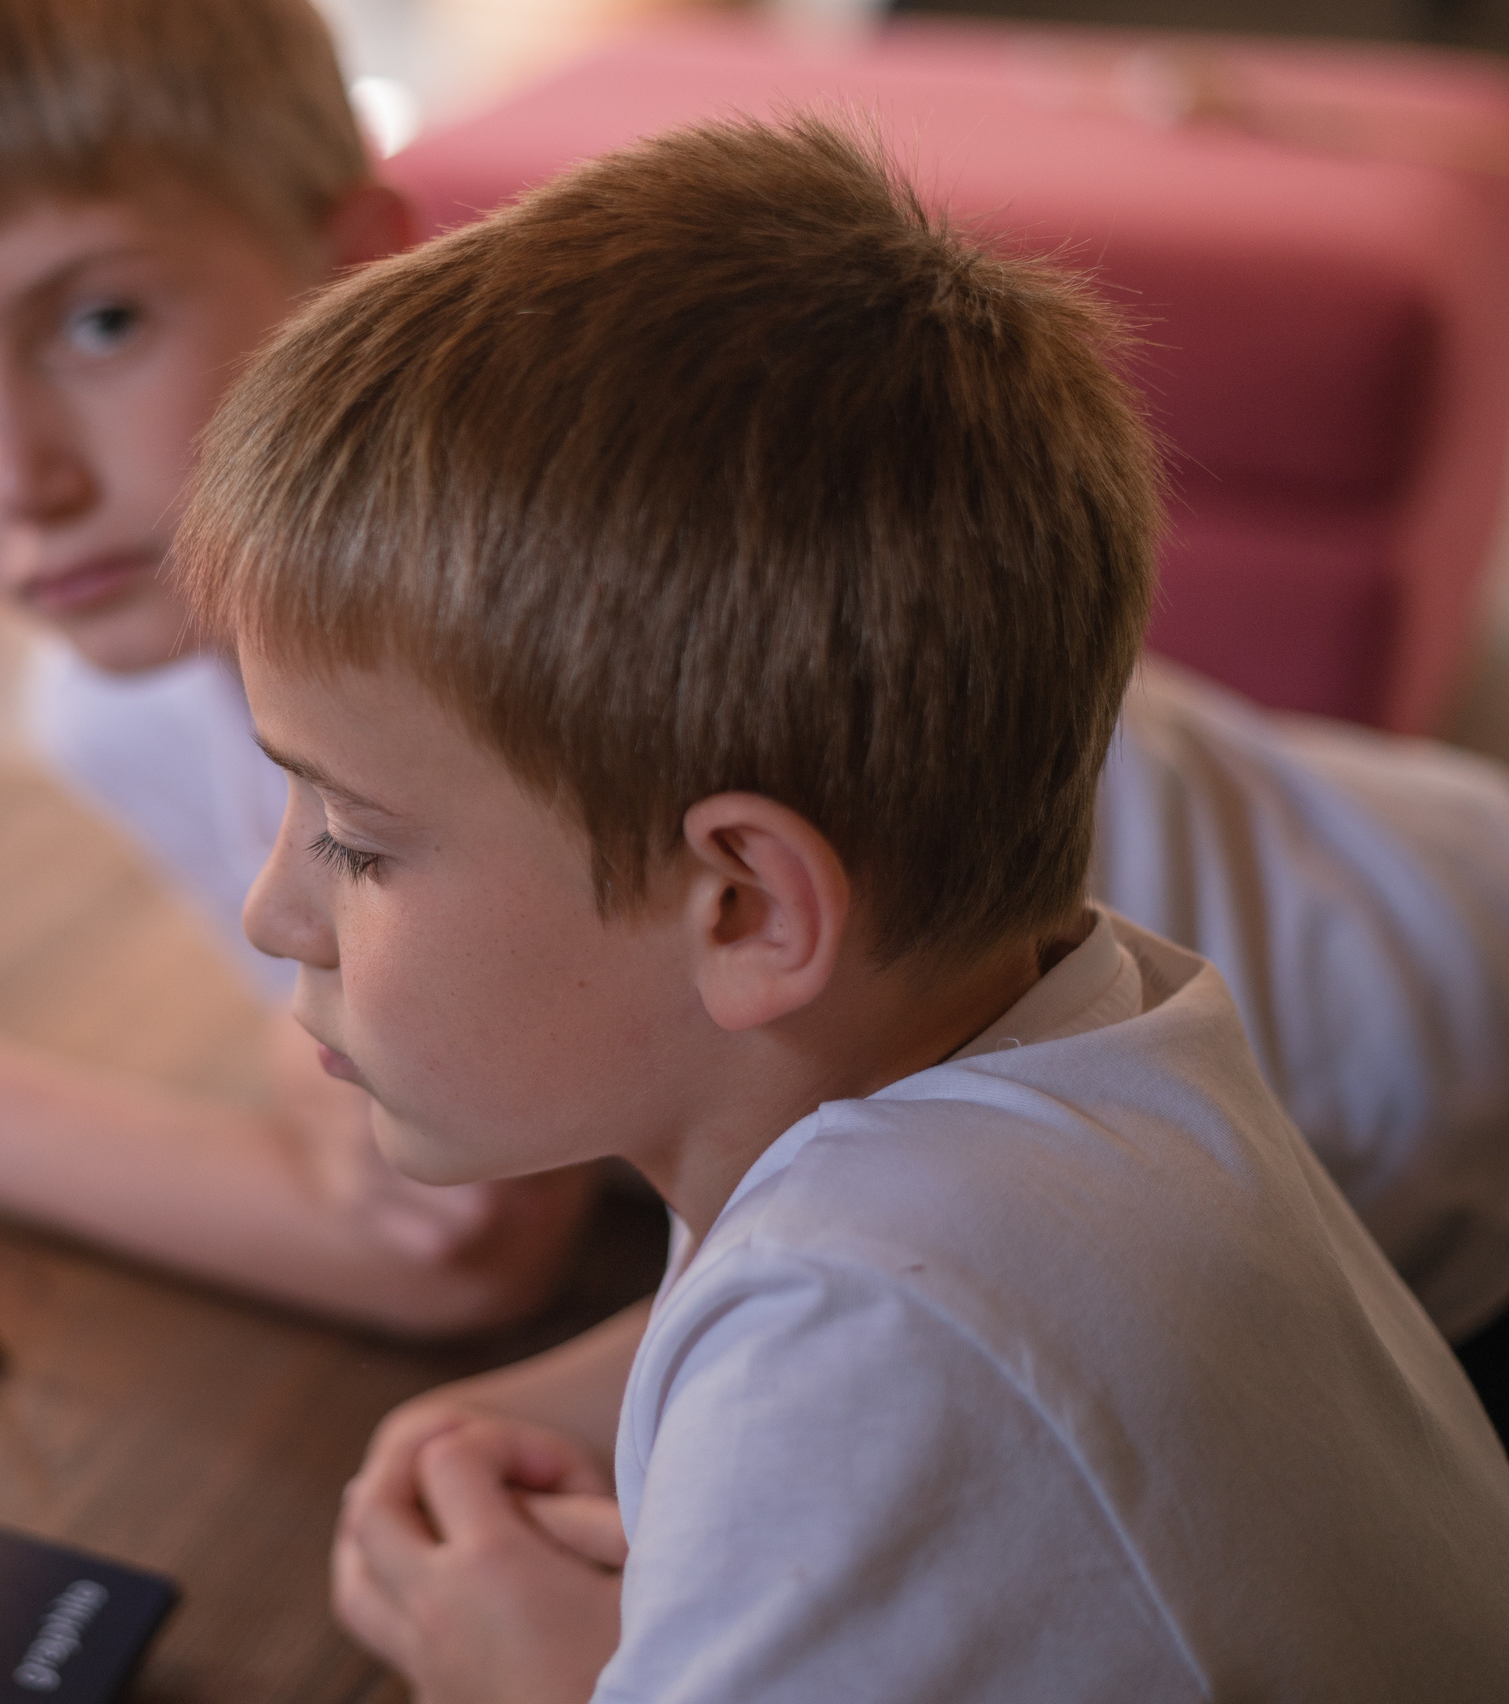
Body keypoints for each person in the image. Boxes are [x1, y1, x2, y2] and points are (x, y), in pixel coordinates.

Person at [0, 0, 1509, 1364]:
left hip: (1447, 1126)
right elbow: (406, 1116)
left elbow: (444, 1251)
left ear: (353, 251)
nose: (16, 475)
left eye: (99, 320)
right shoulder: (108, 698)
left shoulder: (488, 642)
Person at [175, 114, 1509, 1700]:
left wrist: (533, 1679)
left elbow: (890, 1354)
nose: (274, 910)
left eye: (354, 837)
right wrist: (578, 1412)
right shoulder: (1080, 1037)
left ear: (746, 911)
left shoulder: (861, 1340)